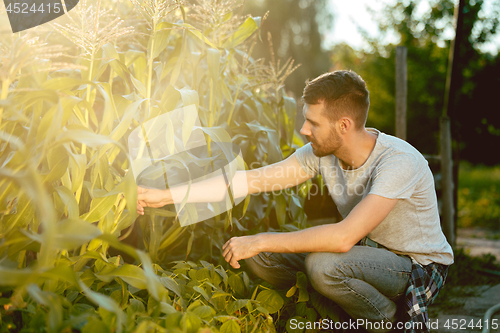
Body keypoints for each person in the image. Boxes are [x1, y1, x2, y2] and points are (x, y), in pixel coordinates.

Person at [136, 70, 453, 333]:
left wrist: (261, 238)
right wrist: (163, 196)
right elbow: (248, 181)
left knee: (322, 266)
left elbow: (343, 238)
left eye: (313, 123)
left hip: (414, 266)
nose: (303, 130)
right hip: (366, 253)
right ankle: (343, 317)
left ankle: (390, 323)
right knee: (260, 258)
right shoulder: (323, 154)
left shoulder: (398, 162)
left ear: (343, 125)